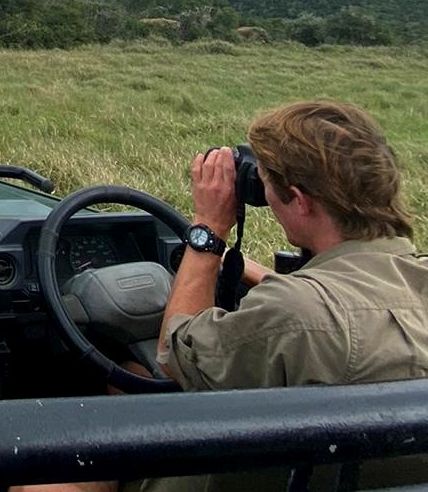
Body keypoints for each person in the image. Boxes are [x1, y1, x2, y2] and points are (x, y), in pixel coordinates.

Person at [146, 100, 428, 490]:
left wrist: (207, 232)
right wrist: (255, 273)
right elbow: (360, 297)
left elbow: (175, 349)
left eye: (265, 183)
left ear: (299, 199)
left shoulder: (292, 313)